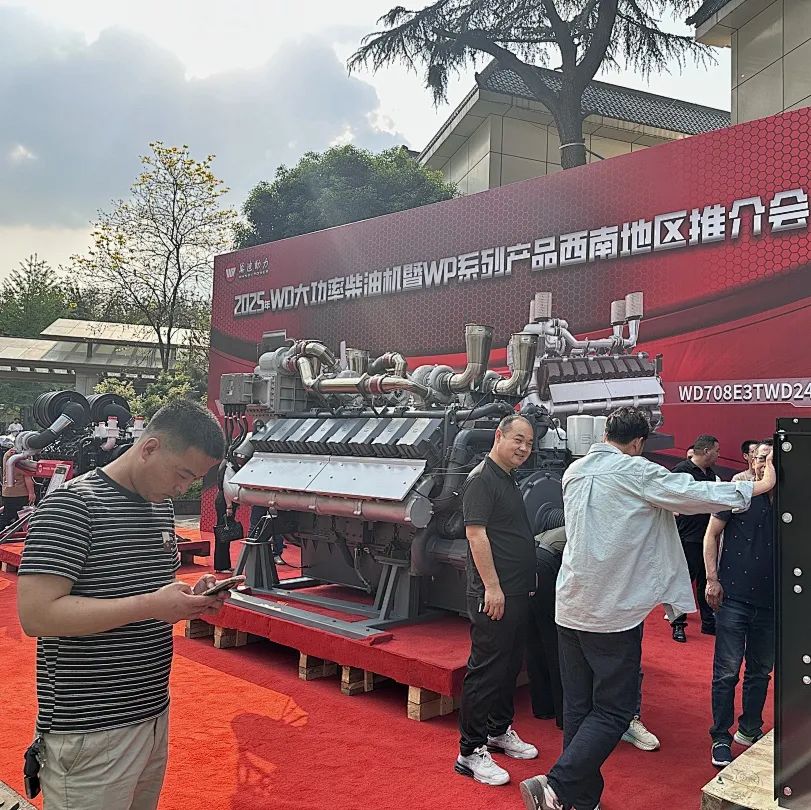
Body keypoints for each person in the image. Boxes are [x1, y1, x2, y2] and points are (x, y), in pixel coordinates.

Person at [519, 407, 775, 810]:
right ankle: (557, 784)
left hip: (569, 605)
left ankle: (580, 799)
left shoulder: (575, 471)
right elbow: (696, 495)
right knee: (615, 710)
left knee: (579, 707)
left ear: (606, 433)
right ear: (638, 443)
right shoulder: (637, 472)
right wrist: (759, 486)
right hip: (611, 611)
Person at [17, 399, 230, 810]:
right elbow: (37, 615)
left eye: (194, 480)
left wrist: (191, 597)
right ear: (149, 448)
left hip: (152, 713)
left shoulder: (160, 507)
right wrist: (151, 605)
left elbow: (146, 590)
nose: (183, 488)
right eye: (183, 474)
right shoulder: (72, 506)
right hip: (90, 729)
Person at [454, 413, 538, 787]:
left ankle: (497, 730)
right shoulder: (481, 480)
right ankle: (469, 751)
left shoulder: (507, 477)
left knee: (508, 665)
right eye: (518, 439)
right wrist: (492, 586)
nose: (524, 448)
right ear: (499, 436)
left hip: (515, 591)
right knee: (486, 669)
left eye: (529, 443)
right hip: (494, 595)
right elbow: (476, 535)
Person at [526, 518, 660, 752]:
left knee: (544, 642)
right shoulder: (611, 527)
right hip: (563, 576)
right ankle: (612, 721)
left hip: (544, 564)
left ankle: (552, 712)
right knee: (567, 653)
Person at [704, 441, 775, 769]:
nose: (765, 464)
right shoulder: (738, 493)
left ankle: (749, 729)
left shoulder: (793, 500)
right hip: (733, 597)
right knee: (726, 672)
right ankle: (721, 736)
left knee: (760, 671)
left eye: (771, 459)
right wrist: (711, 578)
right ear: (751, 460)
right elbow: (711, 535)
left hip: (772, 603)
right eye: (761, 458)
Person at [670, 434, 722, 641]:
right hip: (687, 536)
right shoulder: (681, 471)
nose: (718, 455)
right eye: (717, 451)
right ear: (707, 451)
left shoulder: (711, 474)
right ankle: (678, 624)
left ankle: (708, 622)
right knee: (684, 581)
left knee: (705, 580)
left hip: (706, 535)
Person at [0, 444, 36, 531]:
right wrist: (31, 493)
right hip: (19, 492)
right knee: (15, 515)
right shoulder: (20, 457)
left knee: (10, 513)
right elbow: (27, 476)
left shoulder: (8, 454)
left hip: (7, 491)